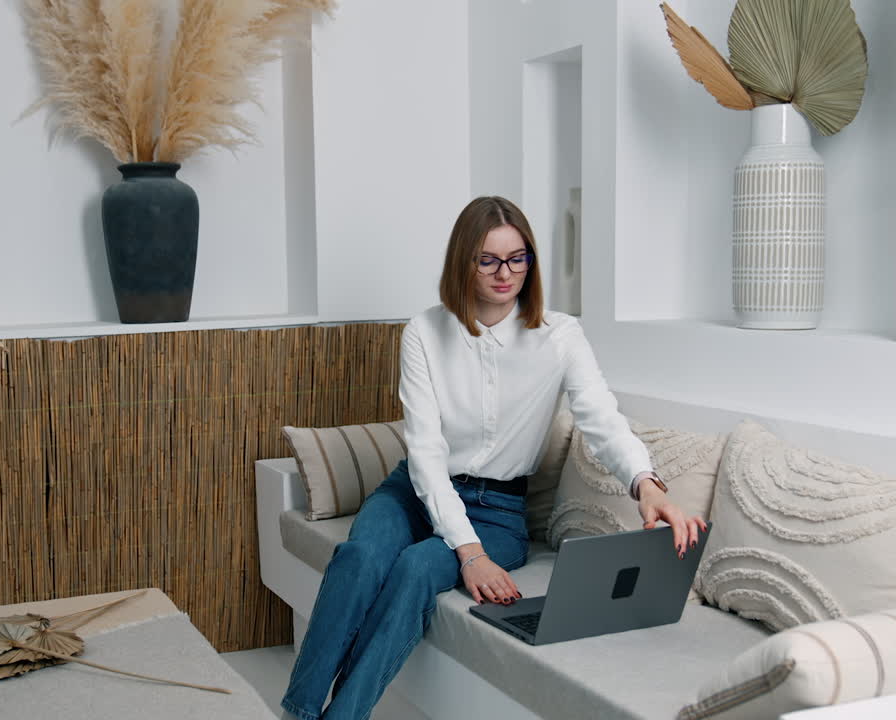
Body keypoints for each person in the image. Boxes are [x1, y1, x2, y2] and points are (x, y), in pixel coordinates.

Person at [280, 196, 706, 720]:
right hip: (414, 490)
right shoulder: (424, 332)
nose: (506, 273)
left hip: (498, 510)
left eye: (518, 258)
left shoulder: (560, 335)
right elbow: (426, 454)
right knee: (360, 557)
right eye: (489, 260)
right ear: (464, 261)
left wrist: (647, 485)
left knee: (416, 568)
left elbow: (601, 417)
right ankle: (298, 713)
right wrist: (468, 553)